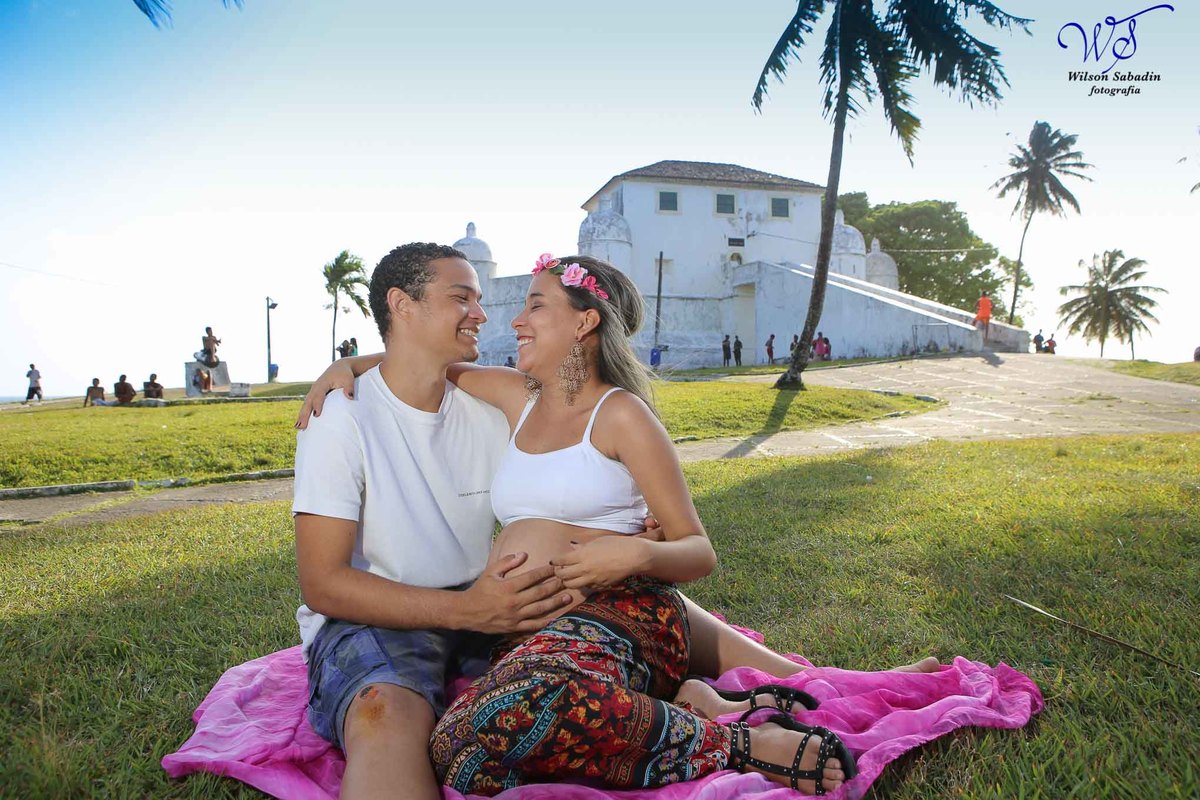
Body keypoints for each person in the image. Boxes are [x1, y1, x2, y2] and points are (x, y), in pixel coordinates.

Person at [300, 249, 883, 797]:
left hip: (611, 607)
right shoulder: (512, 396)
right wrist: (349, 362)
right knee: (463, 748)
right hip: (525, 625)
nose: (508, 320)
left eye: (535, 306)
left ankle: (734, 742)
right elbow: (419, 362)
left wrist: (635, 555)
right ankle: (687, 705)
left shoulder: (620, 414)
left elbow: (696, 548)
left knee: (499, 718)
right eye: (474, 300)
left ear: (583, 324)